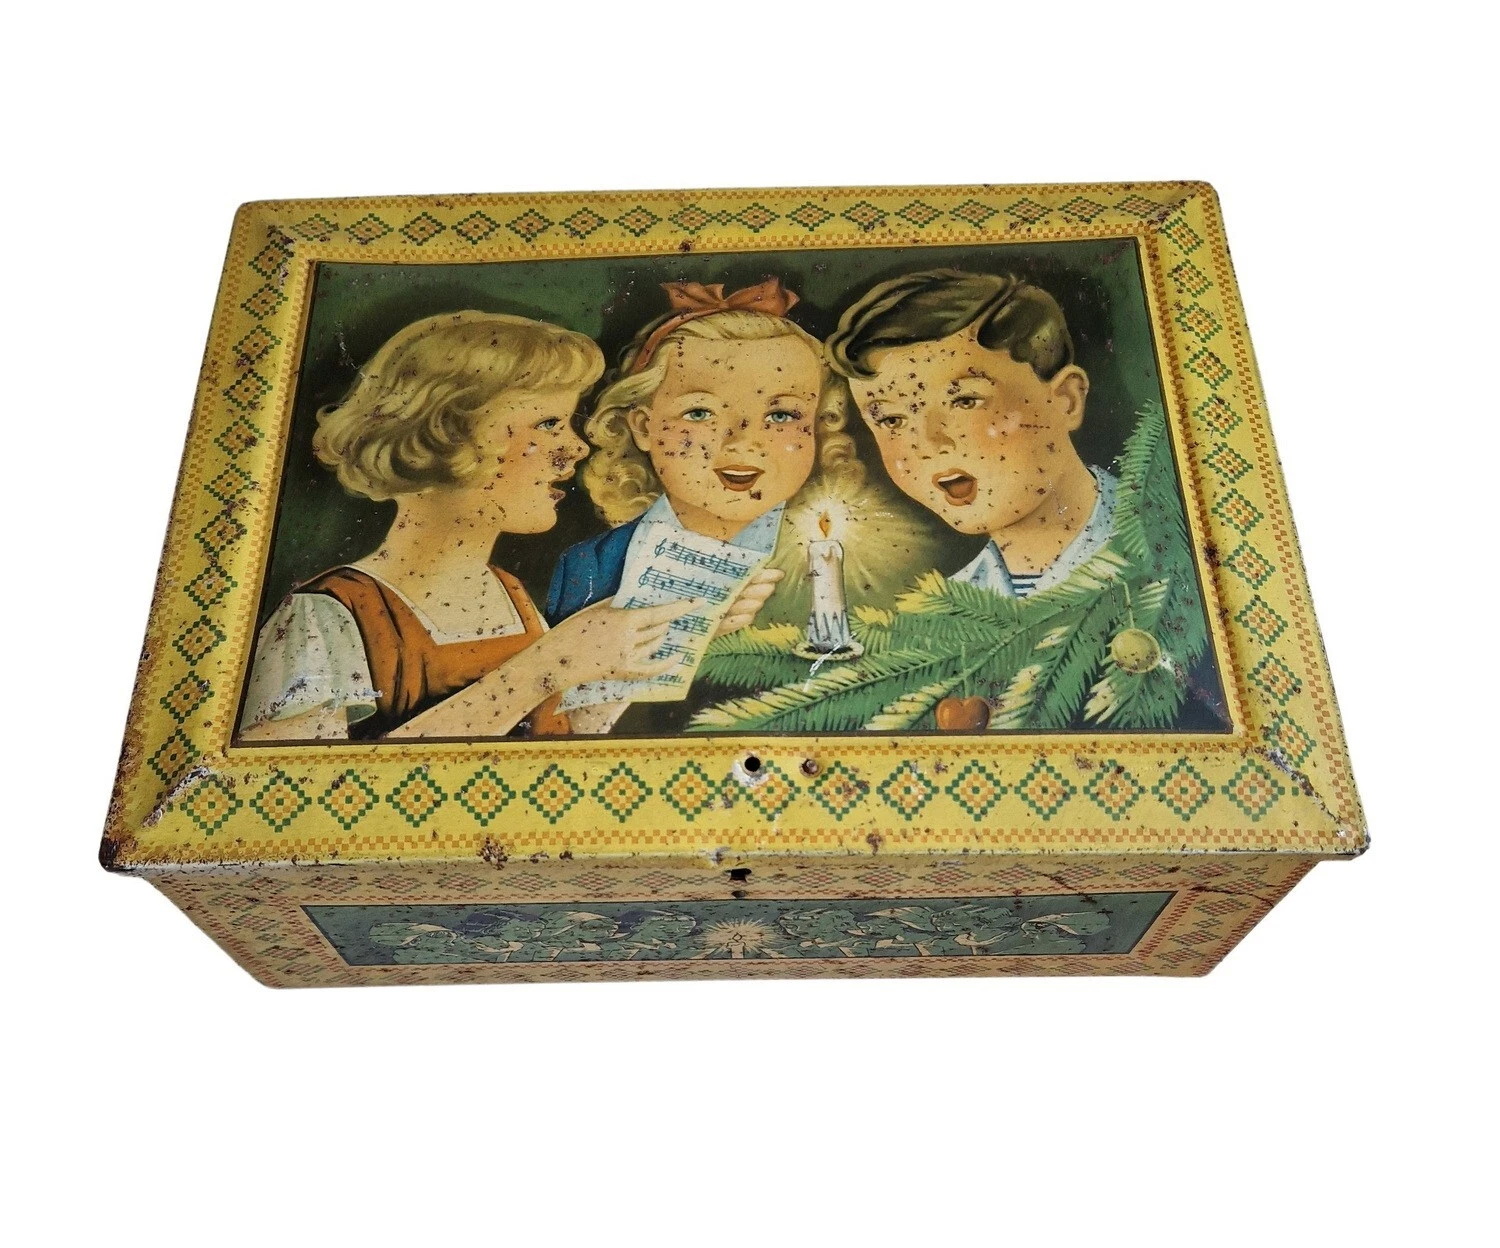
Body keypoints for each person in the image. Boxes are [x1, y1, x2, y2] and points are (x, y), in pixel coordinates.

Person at [238, 310, 694, 742]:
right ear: (450, 433)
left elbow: (547, 741)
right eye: (549, 423)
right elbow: (300, 785)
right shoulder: (327, 614)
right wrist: (548, 665)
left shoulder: (509, 594)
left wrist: (650, 641)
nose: (576, 448)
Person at [816, 267, 1223, 731]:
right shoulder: (943, 617)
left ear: (1066, 400)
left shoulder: (1176, 557)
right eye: (890, 420)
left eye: (964, 401)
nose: (927, 443)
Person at [544, 278, 863, 732]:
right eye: (700, 413)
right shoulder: (591, 567)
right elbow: (559, 728)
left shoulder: (836, 557)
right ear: (644, 427)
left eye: (781, 415)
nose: (742, 442)